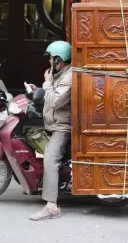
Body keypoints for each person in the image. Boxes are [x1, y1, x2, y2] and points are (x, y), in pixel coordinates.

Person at [28, 40, 72, 221]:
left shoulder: (69, 77)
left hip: (63, 127)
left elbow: (55, 101)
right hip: (53, 124)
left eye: (51, 58)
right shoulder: (60, 74)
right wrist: (38, 89)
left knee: (50, 159)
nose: (49, 62)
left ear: (58, 59)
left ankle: (52, 206)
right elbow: (51, 93)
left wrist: (45, 85)